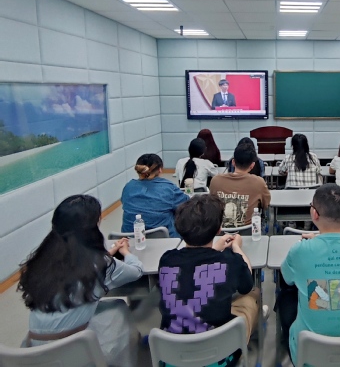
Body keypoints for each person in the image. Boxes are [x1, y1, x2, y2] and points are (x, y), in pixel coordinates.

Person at [18, 195, 143, 367]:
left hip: (35, 349)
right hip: (71, 351)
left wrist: (109, 253)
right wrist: (126, 253)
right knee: (118, 308)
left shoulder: (40, 261)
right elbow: (136, 272)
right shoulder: (101, 265)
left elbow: (78, 263)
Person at [158, 195, 262, 366]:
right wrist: (237, 247)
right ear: (219, 229)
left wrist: (214, 249)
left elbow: (193, 266)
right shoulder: (230, 261)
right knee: (252, 297)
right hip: (220, 357)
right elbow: (246, 284)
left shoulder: (166, 259)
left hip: (172, 358)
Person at [278, 184, 340, 366]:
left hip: (310, 358)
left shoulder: (300, 251)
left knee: (285, 296)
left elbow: (287, 278)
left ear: (314, 214)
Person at [121, 153, 189, 237]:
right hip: (165, 240)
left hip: (130, 239)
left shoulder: (128, 187)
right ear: (160, 170)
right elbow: (187, 205)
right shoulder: (168, 188)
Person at [209, 142, 271, 228]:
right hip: (249, 232)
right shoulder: (259, 183)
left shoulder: (215, 181)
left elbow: (211, 206)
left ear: (233, 162)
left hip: (221, 232)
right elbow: (266, 205)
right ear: (252, 165)